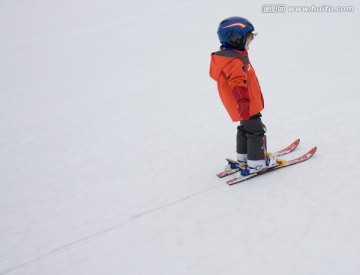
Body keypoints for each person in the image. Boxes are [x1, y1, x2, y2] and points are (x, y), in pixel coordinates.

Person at [209, 16, 276, 174]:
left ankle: (243, 158)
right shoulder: (234, 61)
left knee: (245, 129)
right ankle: (256, 163)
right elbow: (238, 84)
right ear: (236, 39)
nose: (249, 43)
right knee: (255, 130)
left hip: (243, 104)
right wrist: (244, 102)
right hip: (246, 103)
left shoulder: (228, 57)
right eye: (248, 40)